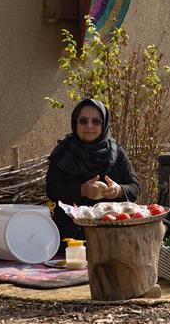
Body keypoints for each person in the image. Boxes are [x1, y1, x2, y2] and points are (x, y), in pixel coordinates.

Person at [46, 98, 141, 248]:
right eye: (83, 121)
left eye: (96, 121)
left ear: (104, 124)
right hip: (73, 237)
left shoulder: (116, 152)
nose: (89, 126)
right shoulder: (63, 153)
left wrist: (119, 190)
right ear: (75, 123)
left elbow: (135, 187)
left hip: (115, 234)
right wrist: (81, 190)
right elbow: (52, 190)